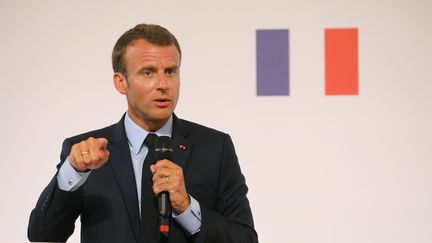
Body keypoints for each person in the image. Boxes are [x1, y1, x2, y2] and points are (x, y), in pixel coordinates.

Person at [28, 23, 258, 243]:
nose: (163, 84)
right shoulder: (85, 154)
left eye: (170, 71)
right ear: (121, 82)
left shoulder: (215, 148)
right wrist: (73, 171)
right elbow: (43, 235)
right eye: (148, 72)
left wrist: (187, 207)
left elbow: (245, 239)